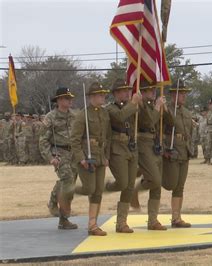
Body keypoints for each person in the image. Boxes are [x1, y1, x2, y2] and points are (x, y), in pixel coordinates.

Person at [130, 79, 173, 230]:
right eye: (149, 90)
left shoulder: (153, 105)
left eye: (153, 90)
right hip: (144, 143)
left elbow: (171, 122)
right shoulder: (140, 106)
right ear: (142, 92)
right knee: (154, 179)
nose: (153, 92)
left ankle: (153, 220)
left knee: (157, 184)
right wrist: (157, 107)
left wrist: (164, 108)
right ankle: (136, 189)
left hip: (156, 143)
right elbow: (148, 123)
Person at [71, 82, 111, 236]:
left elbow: (108, 137)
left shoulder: (104, 113)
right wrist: (81, 158)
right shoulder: (83, 115)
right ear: (92, 97)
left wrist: (106, 156)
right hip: (87, 157)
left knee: (98, 191)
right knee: (89, 189)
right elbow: (74, 139)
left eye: (103, 94)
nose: (103, 97)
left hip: (100, 157)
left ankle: (92, 224)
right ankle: (68, 190)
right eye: (100, 94)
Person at [105, 79, 142, 233]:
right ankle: (108, 186)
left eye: (127, 90)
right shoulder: (110, 108)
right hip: (117, 148)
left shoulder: (132, 106)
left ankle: (122, 222)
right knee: (122, 182)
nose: (126, 93)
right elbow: (120, 117)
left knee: (129, 185)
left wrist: (139, 104)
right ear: (115, 94)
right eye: (122, 91)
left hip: (131, 147)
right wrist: (133, 104)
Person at [39, 87, 78, 230]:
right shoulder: (51, 117)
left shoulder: (74, 116)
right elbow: (43, 140)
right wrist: (50, 158)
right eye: (67, 98)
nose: (70, 100)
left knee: (69, 187)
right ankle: (53, 201)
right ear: (59, 100)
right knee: (67, 180)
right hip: (59, 153)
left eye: (70, 98)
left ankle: (63, 219)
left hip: (73, 153)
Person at [161, 81, 192, 228]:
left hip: (184, 150)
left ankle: (176, 217)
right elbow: (160, 131)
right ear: (173, 94)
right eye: (181, 93)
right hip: (171, 150)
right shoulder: (166, 111)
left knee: (179, 186)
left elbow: (189, 131)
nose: (184, 96)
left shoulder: (186, 112)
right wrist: (164, 148)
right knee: (170, 183)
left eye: (185, 93)